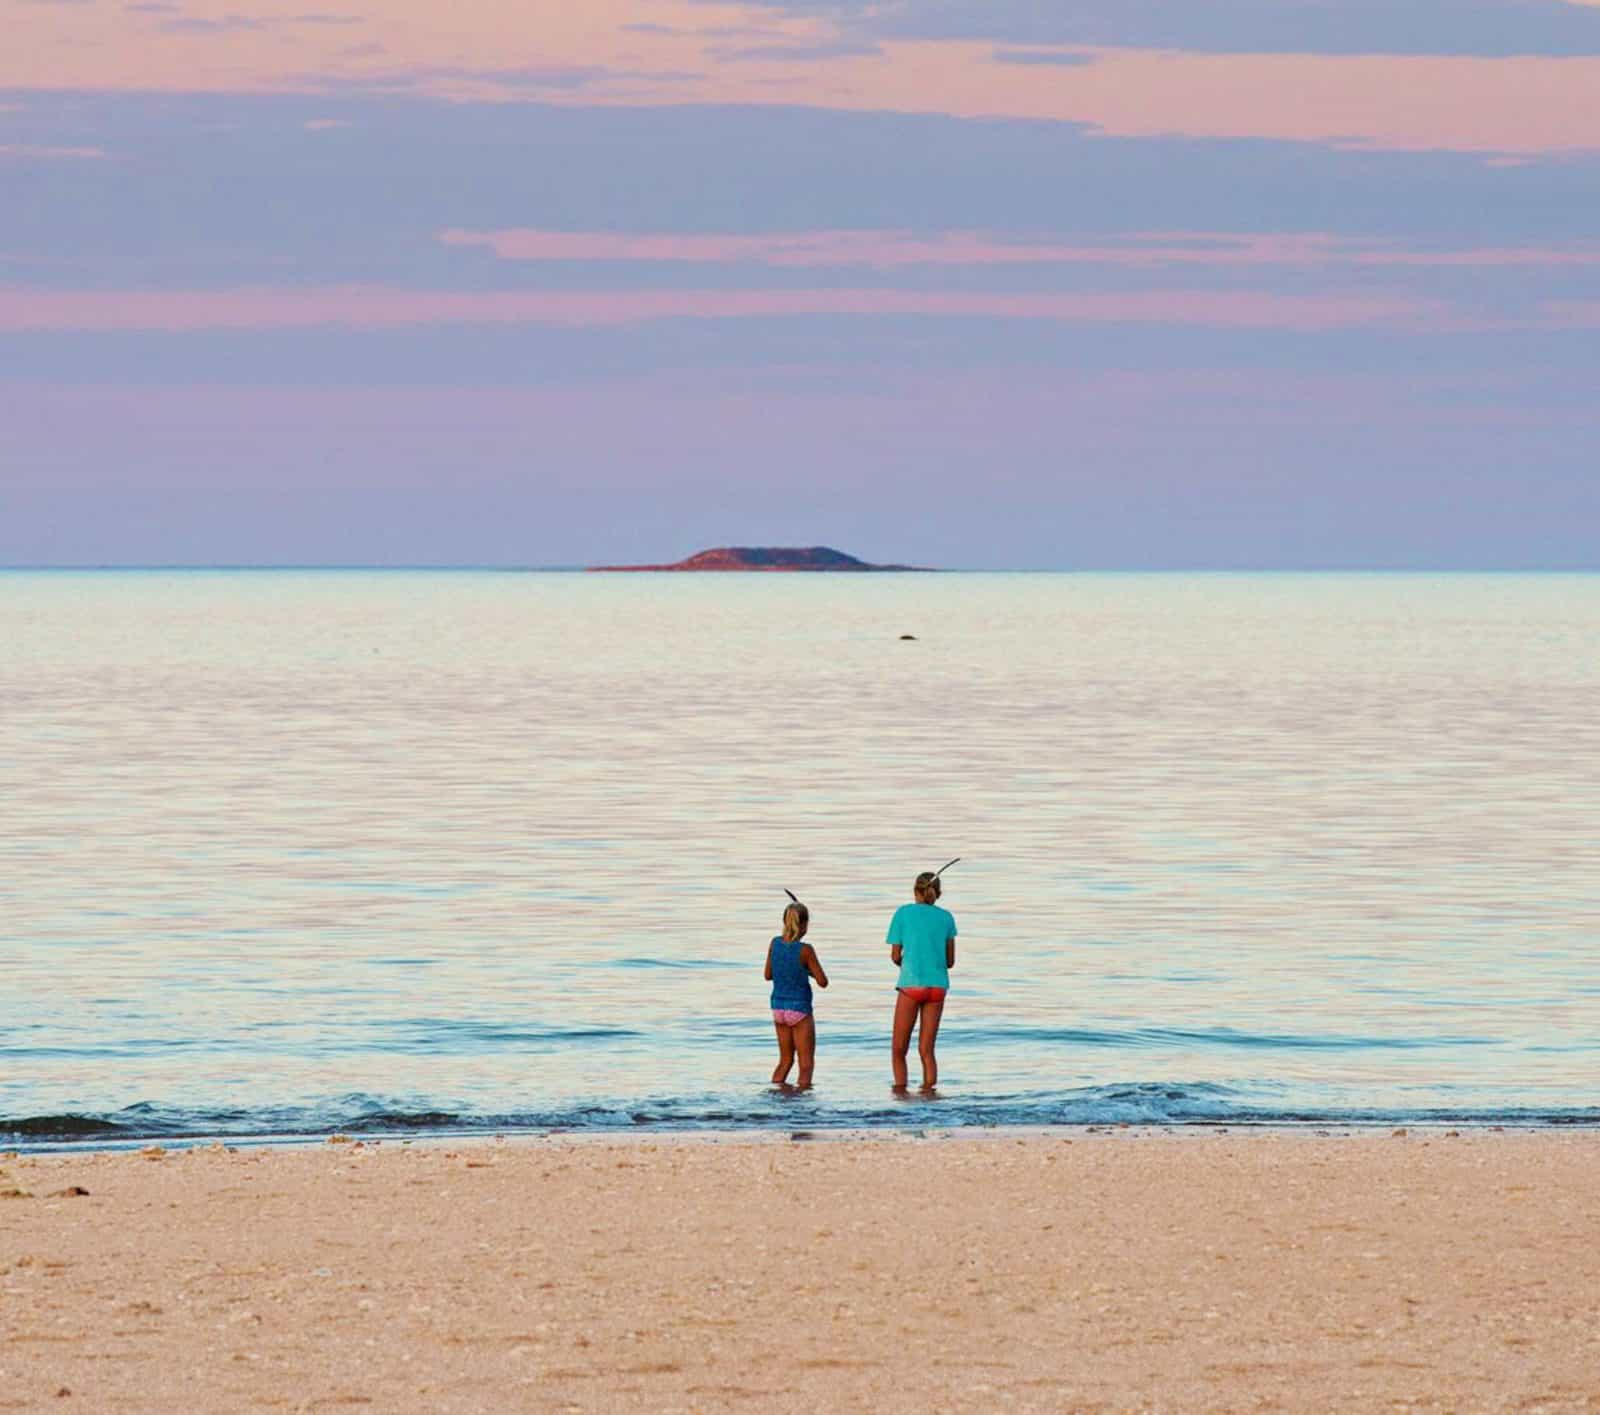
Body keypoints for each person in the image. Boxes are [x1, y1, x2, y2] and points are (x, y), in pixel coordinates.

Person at [887, 871, 957, 1091]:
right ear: (938, 893)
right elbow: (950, 961)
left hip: (911, 984)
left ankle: (901, 1097)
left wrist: (907, 965)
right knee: (927, 1051)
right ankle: (929, 1096)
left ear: (915, 891)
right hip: (937, 987)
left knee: (899, 1050)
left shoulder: (903, 913)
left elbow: (896, 956)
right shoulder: (946, 917)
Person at [764, 899, 829, 1088]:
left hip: (778, 1008)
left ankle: (775, 1094)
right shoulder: (806, 950)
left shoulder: (774, 943)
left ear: (785, 922)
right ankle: (801, 1108)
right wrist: (806, 970)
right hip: (799, 1009)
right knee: (806, 1064)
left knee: (785, 1061)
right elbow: (823, 982)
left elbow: (768, 975)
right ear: (805, 925)